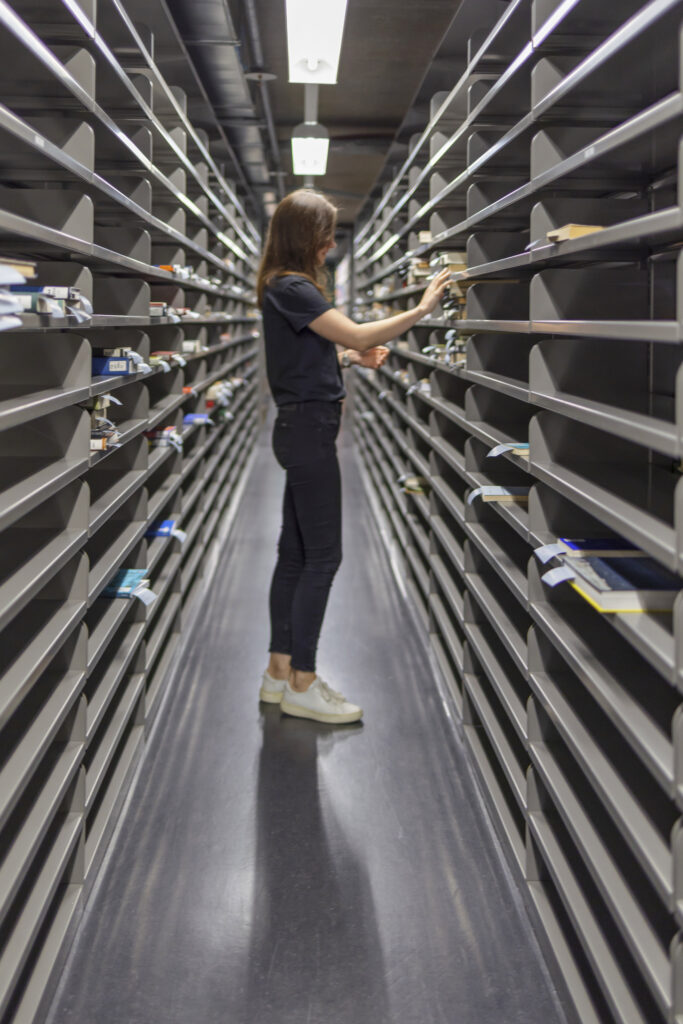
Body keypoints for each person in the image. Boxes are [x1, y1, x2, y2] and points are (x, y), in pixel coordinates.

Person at [257, 188, 451, 724]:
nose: (331, 244)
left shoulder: (282, 287)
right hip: (309, 431)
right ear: (308, 239)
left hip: (299, 425)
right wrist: (422, 308)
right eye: (326, 235)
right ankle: (305, 681)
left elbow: (307, 357)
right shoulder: (292, 286)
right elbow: (362, 328)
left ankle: (277, 673)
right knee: (324, 557)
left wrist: (346, 358)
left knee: (295, 555)